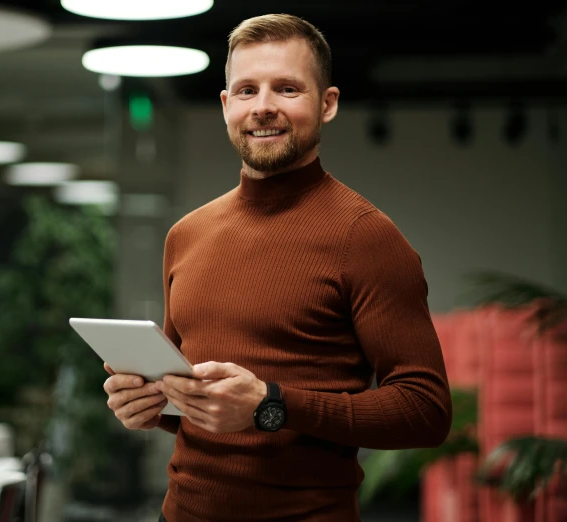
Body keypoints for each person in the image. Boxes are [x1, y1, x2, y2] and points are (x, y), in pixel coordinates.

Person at [102, 13, 452, 522]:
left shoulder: (366, 237)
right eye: (246, 90)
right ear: (226, 106)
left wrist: (272, 403)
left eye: (286, 89)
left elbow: (426, 411)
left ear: (327, 104)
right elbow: (203, 411)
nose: (263, 107)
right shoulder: (186, 235)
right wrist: (153, 404)